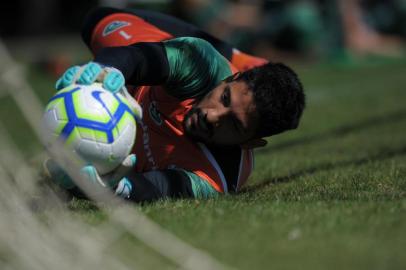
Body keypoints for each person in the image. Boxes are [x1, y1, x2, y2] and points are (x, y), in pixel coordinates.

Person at [45, 7, 305, 203]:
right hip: (146, 58)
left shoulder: (217, 177)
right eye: (224, 98)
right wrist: (104, 69)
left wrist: (114, 186)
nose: (213, 116)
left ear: (250, 143)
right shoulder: (203, 66)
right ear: (230, 78)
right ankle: (237, 56)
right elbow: (140, 58)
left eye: (234, 124)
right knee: (97, 20)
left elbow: (158, 188)